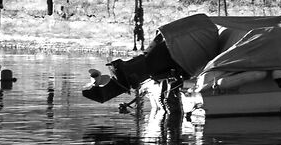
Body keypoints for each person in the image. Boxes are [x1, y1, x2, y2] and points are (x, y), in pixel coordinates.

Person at [82, 13, 225, 102]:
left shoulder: (159, 53)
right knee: (143, 67)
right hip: (163, 59)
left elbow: (160, 40)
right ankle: (116, 80)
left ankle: (118, 79)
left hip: (164, 59)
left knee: (143, 67)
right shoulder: (158, 53)